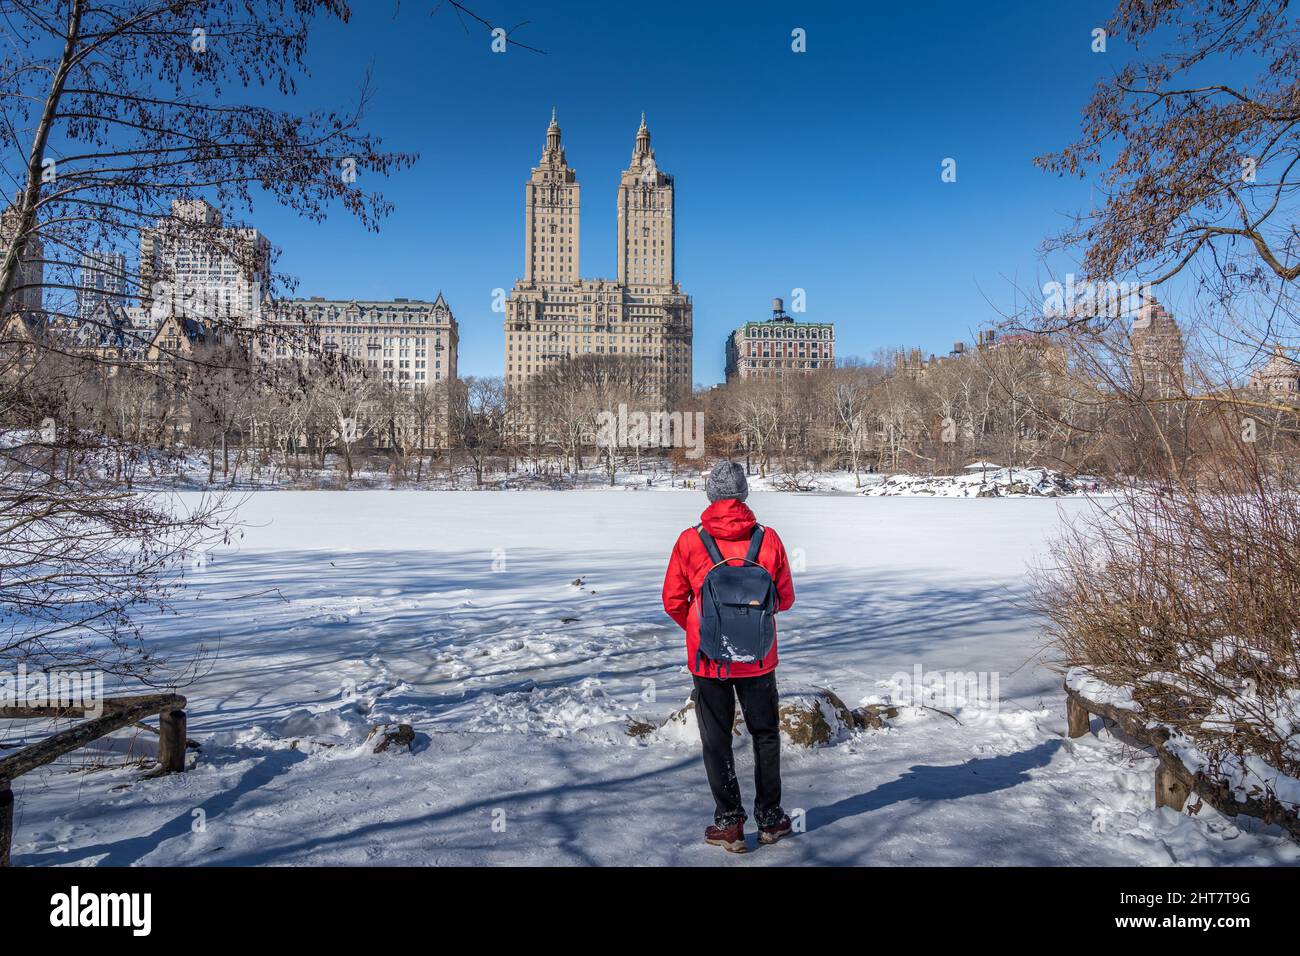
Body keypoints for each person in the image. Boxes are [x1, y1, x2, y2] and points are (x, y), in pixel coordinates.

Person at [661, 460, 796, 852]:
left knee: (716, 739)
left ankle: (729, 823)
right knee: (766, 735)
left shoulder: (690, 541)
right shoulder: (767, 539)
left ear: (711, 496)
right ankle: (770, 819)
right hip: (758, 659)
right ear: (743, 494)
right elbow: (784, 599)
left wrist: (702, 629)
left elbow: (672, 600)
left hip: (708, 661)